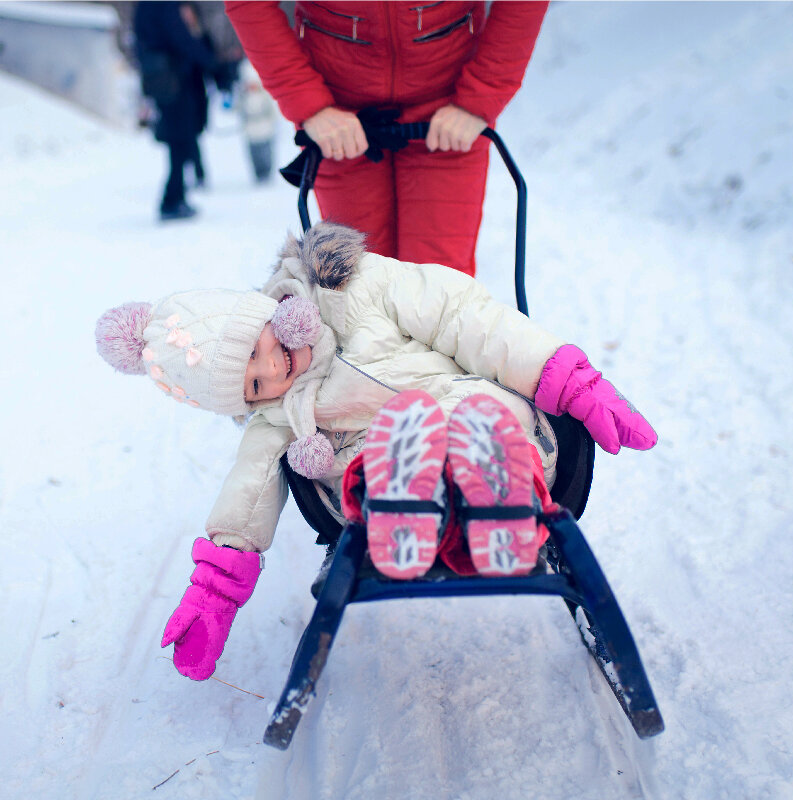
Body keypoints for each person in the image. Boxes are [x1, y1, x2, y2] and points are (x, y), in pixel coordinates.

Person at [95, 222, 657, 680]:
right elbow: (247, 495)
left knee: (484, 410)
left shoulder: (358, 288)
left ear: (266, 314)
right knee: (368, 463)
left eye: (257, 349)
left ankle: (495, 497)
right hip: (377, 465)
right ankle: (408, 505)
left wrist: (574, 383)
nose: (271, 371)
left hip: (464, 411)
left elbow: (470, 320)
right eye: (254, 387)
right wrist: (214, 592)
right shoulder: (276, 417)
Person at [223, 1, 549, 276]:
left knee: (439, 294)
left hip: (448, 115)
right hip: (340, 119)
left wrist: (480, 98)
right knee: (356, 292)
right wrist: (311, 106)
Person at [133, 1, 218, 221]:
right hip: (175, 81)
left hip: (164, 80)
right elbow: (180, 38)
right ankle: (172, 200)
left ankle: (176, 197)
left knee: (178, 142)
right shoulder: (163, 5)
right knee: (180, 141)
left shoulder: (145, 6)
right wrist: (212, 62)